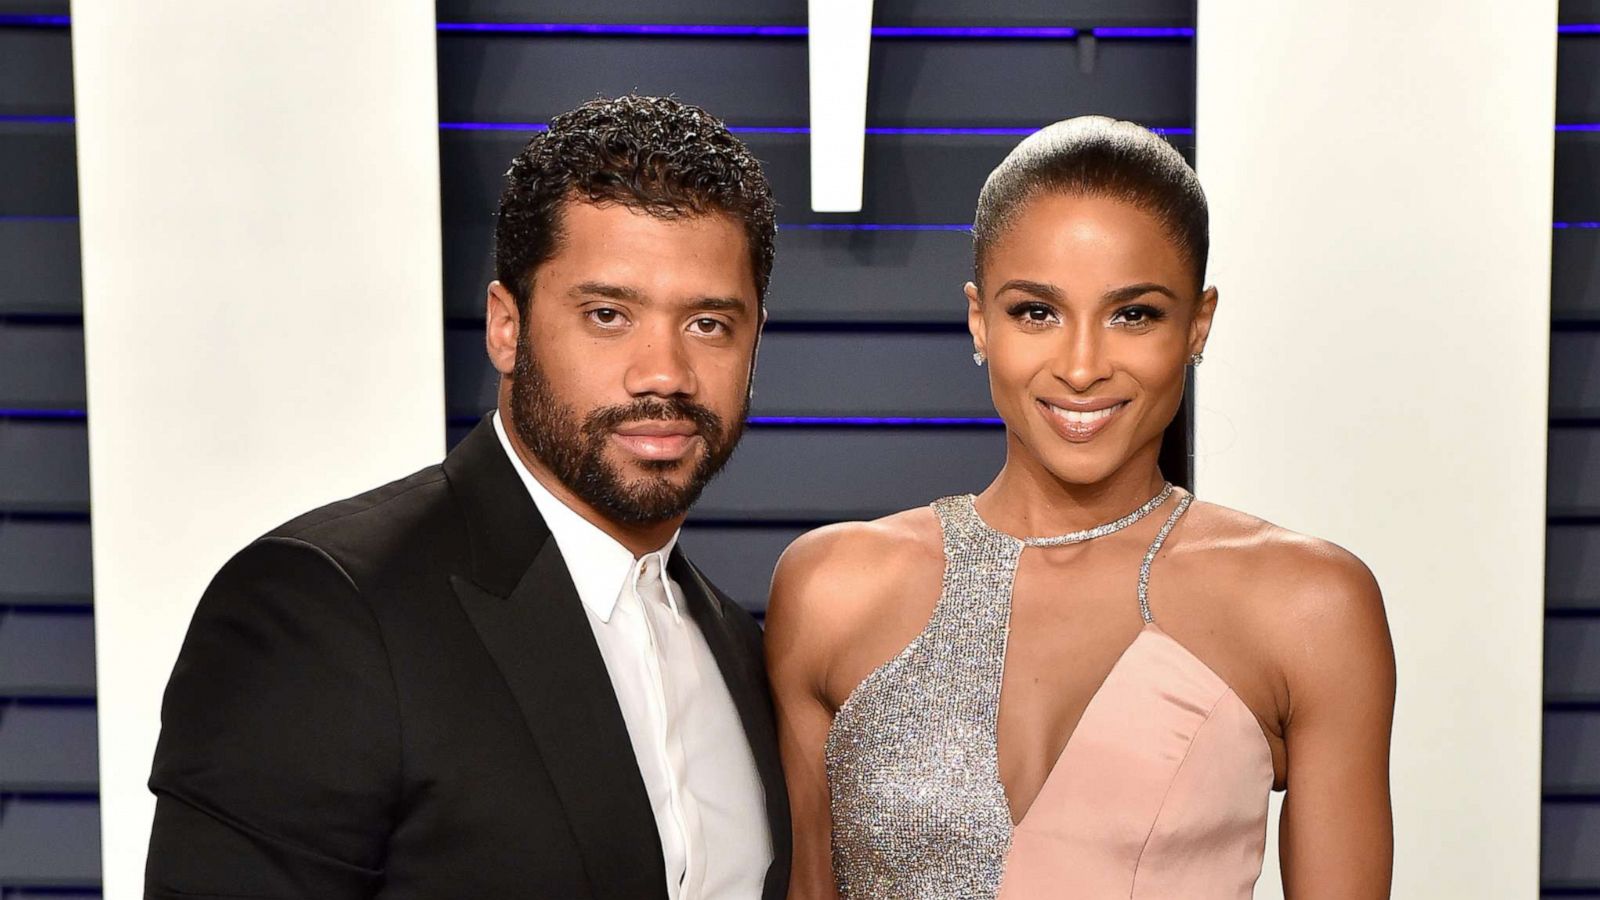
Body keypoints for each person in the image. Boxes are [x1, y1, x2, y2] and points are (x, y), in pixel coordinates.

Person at [145, 95, 790, 900]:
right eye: (607, 314)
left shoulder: (739, 646)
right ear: (505, 327)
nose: (662, 372)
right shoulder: (322, 609)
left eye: (707, 324)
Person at [765, 116, 1395, 899]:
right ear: (979, 320)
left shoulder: (1308, 606)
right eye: (1036, 311)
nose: (1083, 366)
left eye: (1134, 314)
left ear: (1198, 325)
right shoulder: (832, 590)